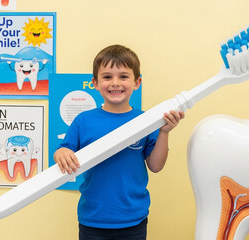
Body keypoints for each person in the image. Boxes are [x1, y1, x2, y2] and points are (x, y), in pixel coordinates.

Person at [53, 44, 185, 240]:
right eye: (107, 77)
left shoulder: (146, 121)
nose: (115, 82)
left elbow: (156, 166)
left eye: (123, 76)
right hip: (93, 219)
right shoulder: (83, 120)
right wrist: (61, 153)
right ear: (95, 83)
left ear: (137, 82)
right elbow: (63, 151)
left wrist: (164, 132)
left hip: (134, 219)